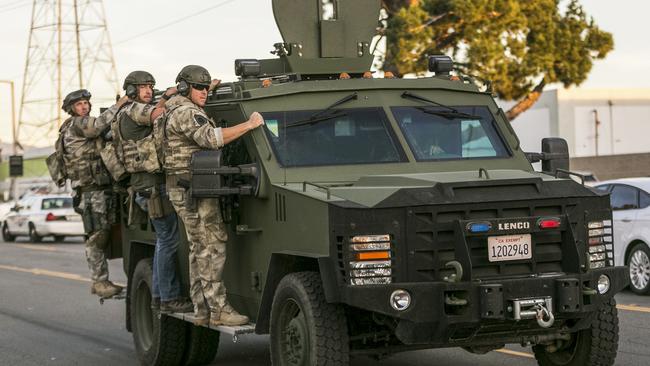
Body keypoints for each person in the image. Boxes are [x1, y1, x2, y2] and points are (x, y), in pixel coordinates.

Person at [163, 65, 264, 326]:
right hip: (194, 190)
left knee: (198, 247)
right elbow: (211, 138)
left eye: (207, 88)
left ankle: (201, 308)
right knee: (212, 245)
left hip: (185, 187)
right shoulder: (186, 112)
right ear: (185, 88)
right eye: (199, 87)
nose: (204, 92)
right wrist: (250, 124)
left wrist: (208, 89)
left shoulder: (173, 107)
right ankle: (218, 309)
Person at [106, 71, 192, 313]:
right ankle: (169, 298)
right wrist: (168, 96)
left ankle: (158, 296)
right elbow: (157, 113)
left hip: (147, 185)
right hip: (152, 187)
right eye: (142, 87)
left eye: (150, 86)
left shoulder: (125, 112)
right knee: (169, 240)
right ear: (131, 91)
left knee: (164, 240)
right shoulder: (134, 109)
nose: (147, 90)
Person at [56, 89, 128, 298]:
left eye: (86, 103)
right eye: (79, 104)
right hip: (91, 192)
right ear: (72, 109)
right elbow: (98, 126)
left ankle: (100, 280)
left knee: (102, 233)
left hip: (95, 190)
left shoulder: (77, 127)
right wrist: (121, 104)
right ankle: (99, 281)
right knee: (97, 237)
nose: (84, 106)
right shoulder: (78, 124)